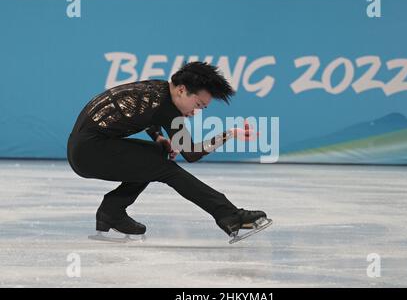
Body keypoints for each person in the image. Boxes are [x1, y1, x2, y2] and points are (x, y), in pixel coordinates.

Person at [67, 61, 271, 242]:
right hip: (89, 152)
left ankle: (111, 212)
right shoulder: (167, 108)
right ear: (182, 90)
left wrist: (158, 137)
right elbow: (191, 153)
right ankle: (229, 215)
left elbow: (141, 112)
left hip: (84, 147)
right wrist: (228, 135)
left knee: (157, 154)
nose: (196, 112)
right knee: (166, 170)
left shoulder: (158, 88)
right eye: (198, 104)